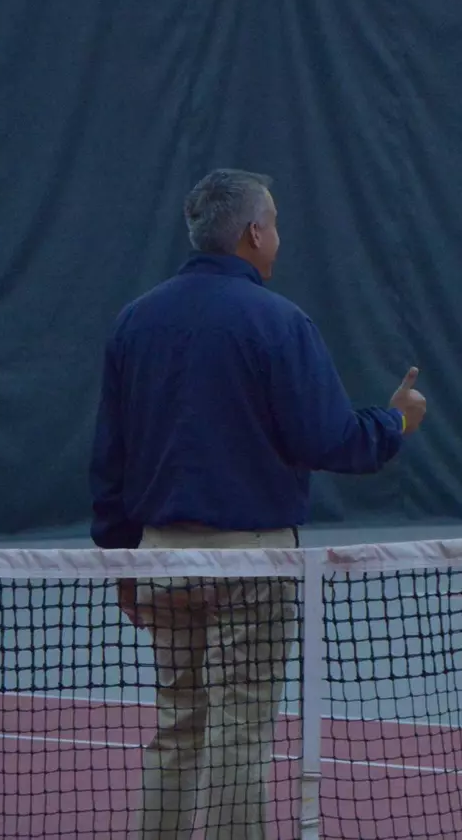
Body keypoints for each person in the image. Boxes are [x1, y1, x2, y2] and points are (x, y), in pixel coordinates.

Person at [89, 168, 426, 840]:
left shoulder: (135, 321)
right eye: (274, 224)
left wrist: (123, 558)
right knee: (239, 729)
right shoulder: (279, 322)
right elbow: (329, 439)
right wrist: (396, 422)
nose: (278, 237)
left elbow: (110, 458)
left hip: (160, 562)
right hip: (253, 564)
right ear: (253, 232)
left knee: (177, 726)